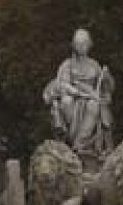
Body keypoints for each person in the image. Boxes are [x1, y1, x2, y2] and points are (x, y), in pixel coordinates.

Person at [42, 28, 114, 167]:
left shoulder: (94, 65)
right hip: (73, 98)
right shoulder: (67, 65)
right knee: (66, 101)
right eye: (78, 44)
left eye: (84, 43)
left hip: (92, 100)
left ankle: (79, 144)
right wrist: (80, 93)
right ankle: (72, 140)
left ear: (89, 44)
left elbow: (105, 88)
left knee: (94, 105)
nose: (81, 47)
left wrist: (106, 77)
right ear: (74, 45)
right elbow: (63, 84)